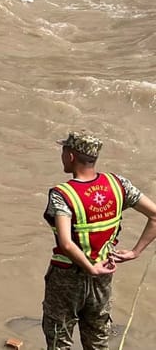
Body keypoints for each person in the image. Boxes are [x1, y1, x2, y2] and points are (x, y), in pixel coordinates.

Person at [42, 131, 156, 350]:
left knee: (59, 339)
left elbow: (66, 243)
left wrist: (89, 268)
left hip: (67, 277)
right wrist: (135, 252)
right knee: (97, 338)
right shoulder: (118, 184)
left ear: (71, 156)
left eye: (64, 150)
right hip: (104, 275)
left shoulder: (62, 194)